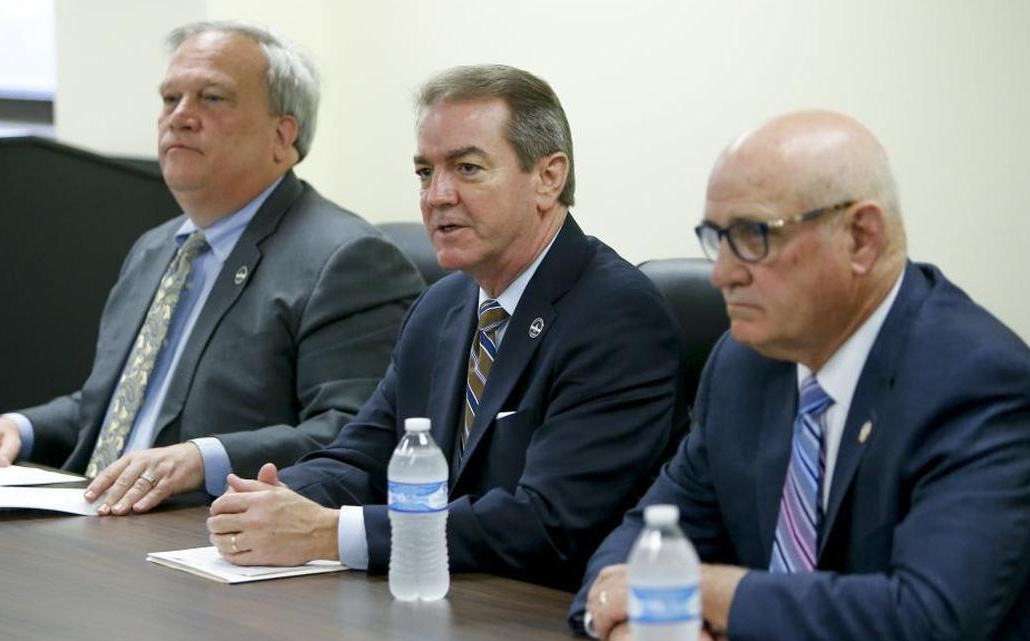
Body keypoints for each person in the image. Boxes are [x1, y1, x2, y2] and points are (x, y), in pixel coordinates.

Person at [0, 21, 423, 516]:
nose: (180, 115)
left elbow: (354, 436)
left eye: (212, 98)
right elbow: (117, 404)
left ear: (282, 136)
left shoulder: (347, 259)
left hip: (208, 540)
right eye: (170, 98)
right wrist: (15, 428)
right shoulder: (158, 247)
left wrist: (205, 460)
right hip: (95, 518)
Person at [205, 64, 685, 589]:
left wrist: (325, 532)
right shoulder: (444, 304)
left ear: (549, 177)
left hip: (531, 613)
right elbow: (366, 453)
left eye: (467, 169)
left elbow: (548, 522)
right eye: (425, 172)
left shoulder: (617, 315)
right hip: (433, 598)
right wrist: (274, 500)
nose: (437, 196)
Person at [573, 110, 1030, 640]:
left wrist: (698, 591)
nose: (723, 273)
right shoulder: (743, 366)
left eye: (754, 235)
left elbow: (925, 618)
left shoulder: (979, 383)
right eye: (716, 238)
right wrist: (624, 622)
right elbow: (645, 537)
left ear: (861, 238)